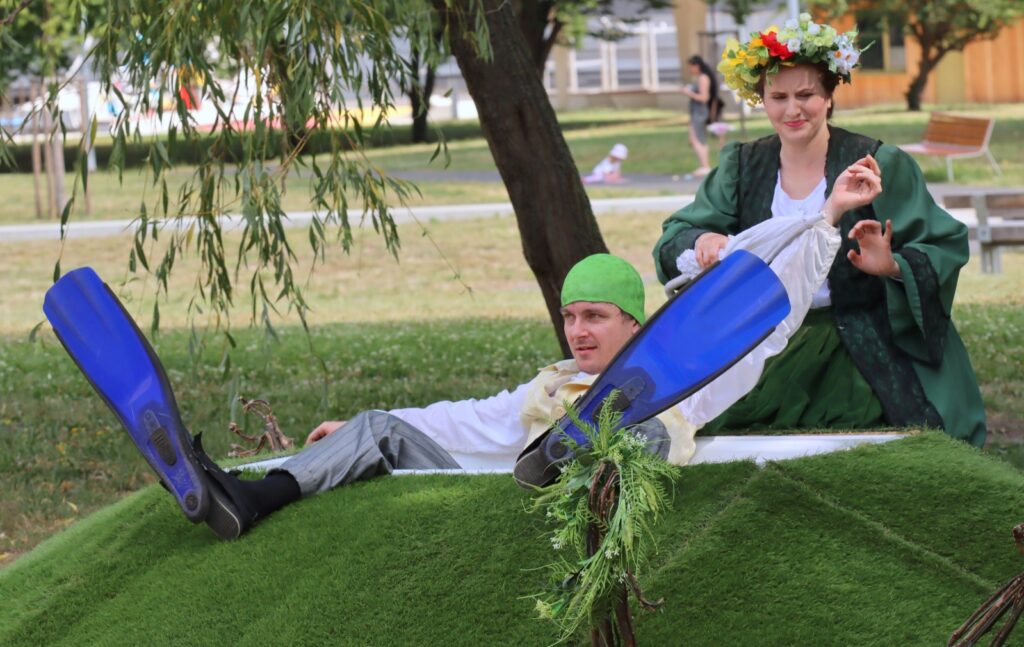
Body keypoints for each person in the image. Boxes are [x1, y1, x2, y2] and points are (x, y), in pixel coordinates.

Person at [158, 254, 698, 540]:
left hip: (560, 526)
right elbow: (465, 419)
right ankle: (250, 498)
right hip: (497, 507)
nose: (578, 331)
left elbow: (663, 454)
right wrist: (357, 430)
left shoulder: (661, 395)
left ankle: (569, 454)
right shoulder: (551, 382)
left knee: (633, 433)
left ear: (633, 324)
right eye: (570, 317)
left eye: (595, 317)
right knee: (377, 426)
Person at [652, 15, 986, 447]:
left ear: (829, 95)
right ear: (761, 100)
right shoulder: (741, 167)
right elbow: (675, 236)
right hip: (765, 343)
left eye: (806, 94)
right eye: (779, 97)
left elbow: (943, 244)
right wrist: (702, 241)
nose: (793, 110)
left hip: (862, 343)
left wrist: (892, 265)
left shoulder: (877, 163)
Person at [680, 55, 720, 179]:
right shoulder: (699, 78)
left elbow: (704, 97)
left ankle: (705, 166)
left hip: (700, 112)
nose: (689, 69)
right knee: (694, 138)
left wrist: (688, 92)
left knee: (698, 138)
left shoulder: (703, 78)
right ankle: (704, 165)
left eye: (691, 67)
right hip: (696, 112)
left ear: (697, 66)